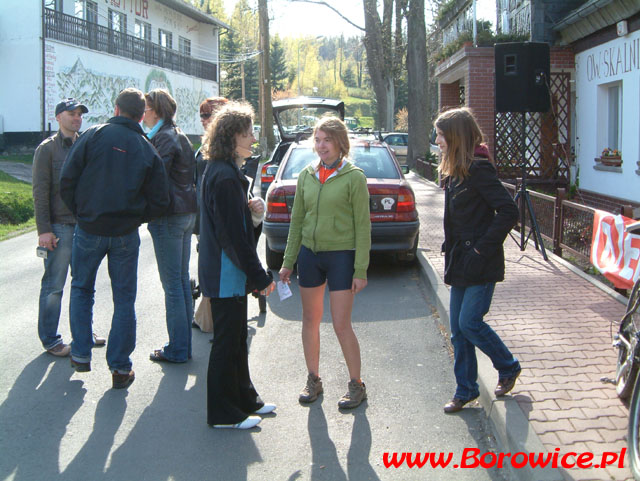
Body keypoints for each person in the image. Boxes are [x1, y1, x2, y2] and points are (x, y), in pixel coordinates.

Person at [60, 87, 170, 389]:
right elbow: (162, 200)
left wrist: (82, 212)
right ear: (140, 115)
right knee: (124, 299)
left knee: (82, 289)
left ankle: (81, 353)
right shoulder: (146, 147)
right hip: (124, 234)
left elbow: (66, 181)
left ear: (117, 109)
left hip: (89, 229)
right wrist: (136, 216)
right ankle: (120, 368)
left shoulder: (93, 135)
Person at [278, 116, 371, 410]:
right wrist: (287, 261)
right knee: (310, 320)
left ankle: (356, 385)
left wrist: (360, 270)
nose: (321, 146)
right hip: (310, 255)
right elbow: (297, 221)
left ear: (340, 143)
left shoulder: (354, 177)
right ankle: (313, 379)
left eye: (326, 140)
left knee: (342, 325)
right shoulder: (306, 175)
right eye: (317, 140)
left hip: (341, 256)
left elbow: (363, 227)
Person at [434, 107, 522, 414]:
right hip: (461, 261)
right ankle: (466, 389)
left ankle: (508, 365)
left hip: (480, 262)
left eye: (441, 135)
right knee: (459, 330)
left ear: (456, 137)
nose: (437, 140)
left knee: (469, 323)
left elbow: (509, 211)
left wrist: (481, 249)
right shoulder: (455, 170)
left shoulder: (479, 168)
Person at [199, 101, 276, 429]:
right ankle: (223, 413)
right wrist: (260, 276)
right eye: (248, 134)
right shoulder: (225, 176)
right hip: (224, 272)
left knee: (234, 341)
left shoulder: (224, 171)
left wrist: (252, 215)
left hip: (225, 270)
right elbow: (232, 238)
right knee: (227, 342)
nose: (253, 139)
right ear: (231, 138)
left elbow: (236, 228)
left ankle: (246, 400)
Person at [32, 98, 105, 358]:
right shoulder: (47, 149)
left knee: (84, 284)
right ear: (58, 117)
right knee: (54, 285)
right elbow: (40, 193)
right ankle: (51, 339)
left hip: (84, 226)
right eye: (72, 114)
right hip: (59, 227)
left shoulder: (84, 144)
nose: (77, 118)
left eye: (80, 115)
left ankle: (83, 333)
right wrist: (44, 230)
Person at [143, 89, 197, 363]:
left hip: (169, 216)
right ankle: (182, 346)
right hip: (185, 213)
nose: (143, 113)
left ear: (156, 111)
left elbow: (156, 179)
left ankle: (177, 348)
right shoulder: (179, 134)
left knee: (174, 285)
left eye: (146, 107)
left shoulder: (162, 138)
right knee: (181, 281)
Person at [192, 97, 228, 333]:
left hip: (213, 221)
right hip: (203, 218)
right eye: (202, 115)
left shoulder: (220, 147)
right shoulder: (209, 143)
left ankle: (214, 318)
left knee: (214, 268)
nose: (203, 120)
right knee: (208, 267)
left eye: (207, 115)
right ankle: (209, 315)